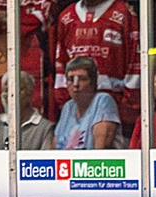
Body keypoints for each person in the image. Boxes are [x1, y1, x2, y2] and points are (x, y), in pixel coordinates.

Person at [53, 0, 140, 135]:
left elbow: (135, 61)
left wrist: (128, 108)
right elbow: (61, 62)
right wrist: (64, 102)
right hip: (76, 108)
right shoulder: (66, 17)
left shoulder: (123, 13)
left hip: (115, 108)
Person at [54, 56, 122, 150]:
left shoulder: (103, 100)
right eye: (71, 79)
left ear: (93, 82)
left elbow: (101, 148)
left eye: (82, 79)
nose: (75, 85)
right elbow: (54, 149)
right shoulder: (68, 107)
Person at [0, 71, 56, 150]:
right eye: (5, 90)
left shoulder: (44, 128)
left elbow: (45, 161)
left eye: (15, 89)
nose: (9, 95)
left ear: (30, 93)